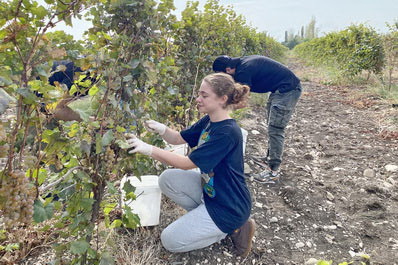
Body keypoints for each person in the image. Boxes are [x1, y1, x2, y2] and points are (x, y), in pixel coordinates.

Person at [126, 73, 255, 257]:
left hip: (228, 207)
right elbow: (178, 138)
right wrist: (162, 129)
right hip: (212, 193)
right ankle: (206, 222)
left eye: (204, 95)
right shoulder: (210, 120)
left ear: (222, 99)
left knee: (169, 240)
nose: (198, 99)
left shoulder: (227, 132)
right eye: (199, 94)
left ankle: (229, 229)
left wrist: (149, 149)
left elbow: (187, 164)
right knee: (167, 179)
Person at [212, 55, 302, 184]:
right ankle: (269, 158)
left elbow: (242, 100)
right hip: (279, 90)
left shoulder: (243, 70)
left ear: (228, 70)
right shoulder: (242, 63)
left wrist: (219, 112)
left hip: (288, 91)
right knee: (272, 125)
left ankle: (273, 172)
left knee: (276, 129)